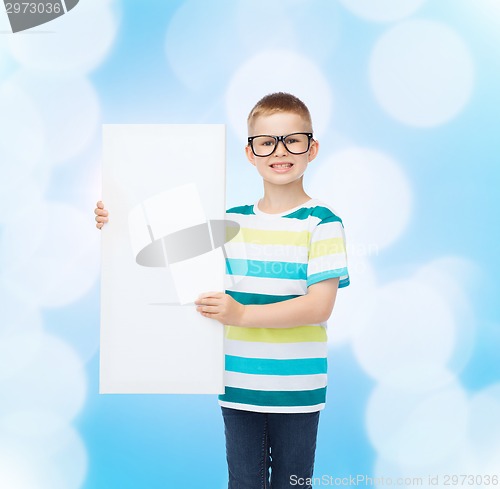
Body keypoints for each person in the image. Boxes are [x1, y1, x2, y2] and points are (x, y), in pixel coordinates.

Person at [94, 92, 349, 489]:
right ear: (250, 153)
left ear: (311, 148)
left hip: (297, 389)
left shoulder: (322, 223)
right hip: (237, 385)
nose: (279, 151)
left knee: (293, 484)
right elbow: (165, 252)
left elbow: (319, 306)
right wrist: (115, 222)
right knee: (243, 483)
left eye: (292, 140)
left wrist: (243, 315)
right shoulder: (229, 221)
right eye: (266, 142)